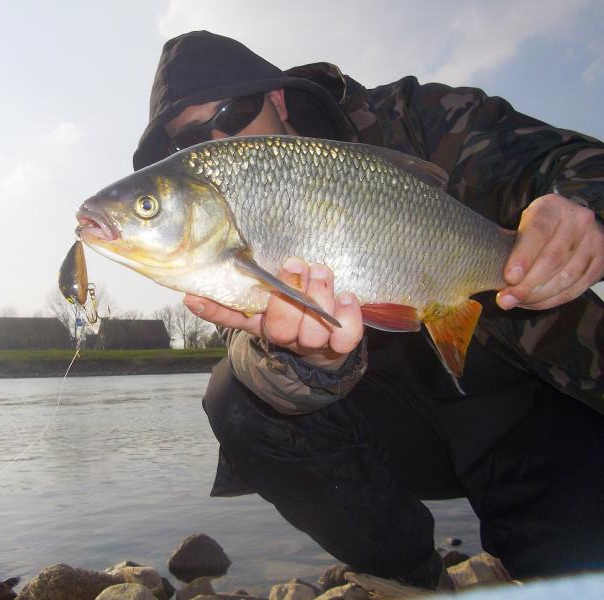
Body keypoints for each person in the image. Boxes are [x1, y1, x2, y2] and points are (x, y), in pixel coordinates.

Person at [132, 31, 604, 588]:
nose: (218, 138)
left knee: (571, 571)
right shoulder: (206, 233)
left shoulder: (415, 117)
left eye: (235, 113)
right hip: (392, 431)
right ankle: (412, 576)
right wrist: (309, 362)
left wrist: (579, 208)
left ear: (277, 99)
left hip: (537, 397)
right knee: (237, 398)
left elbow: (574, 159)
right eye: (191, 137)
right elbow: (247, 351)